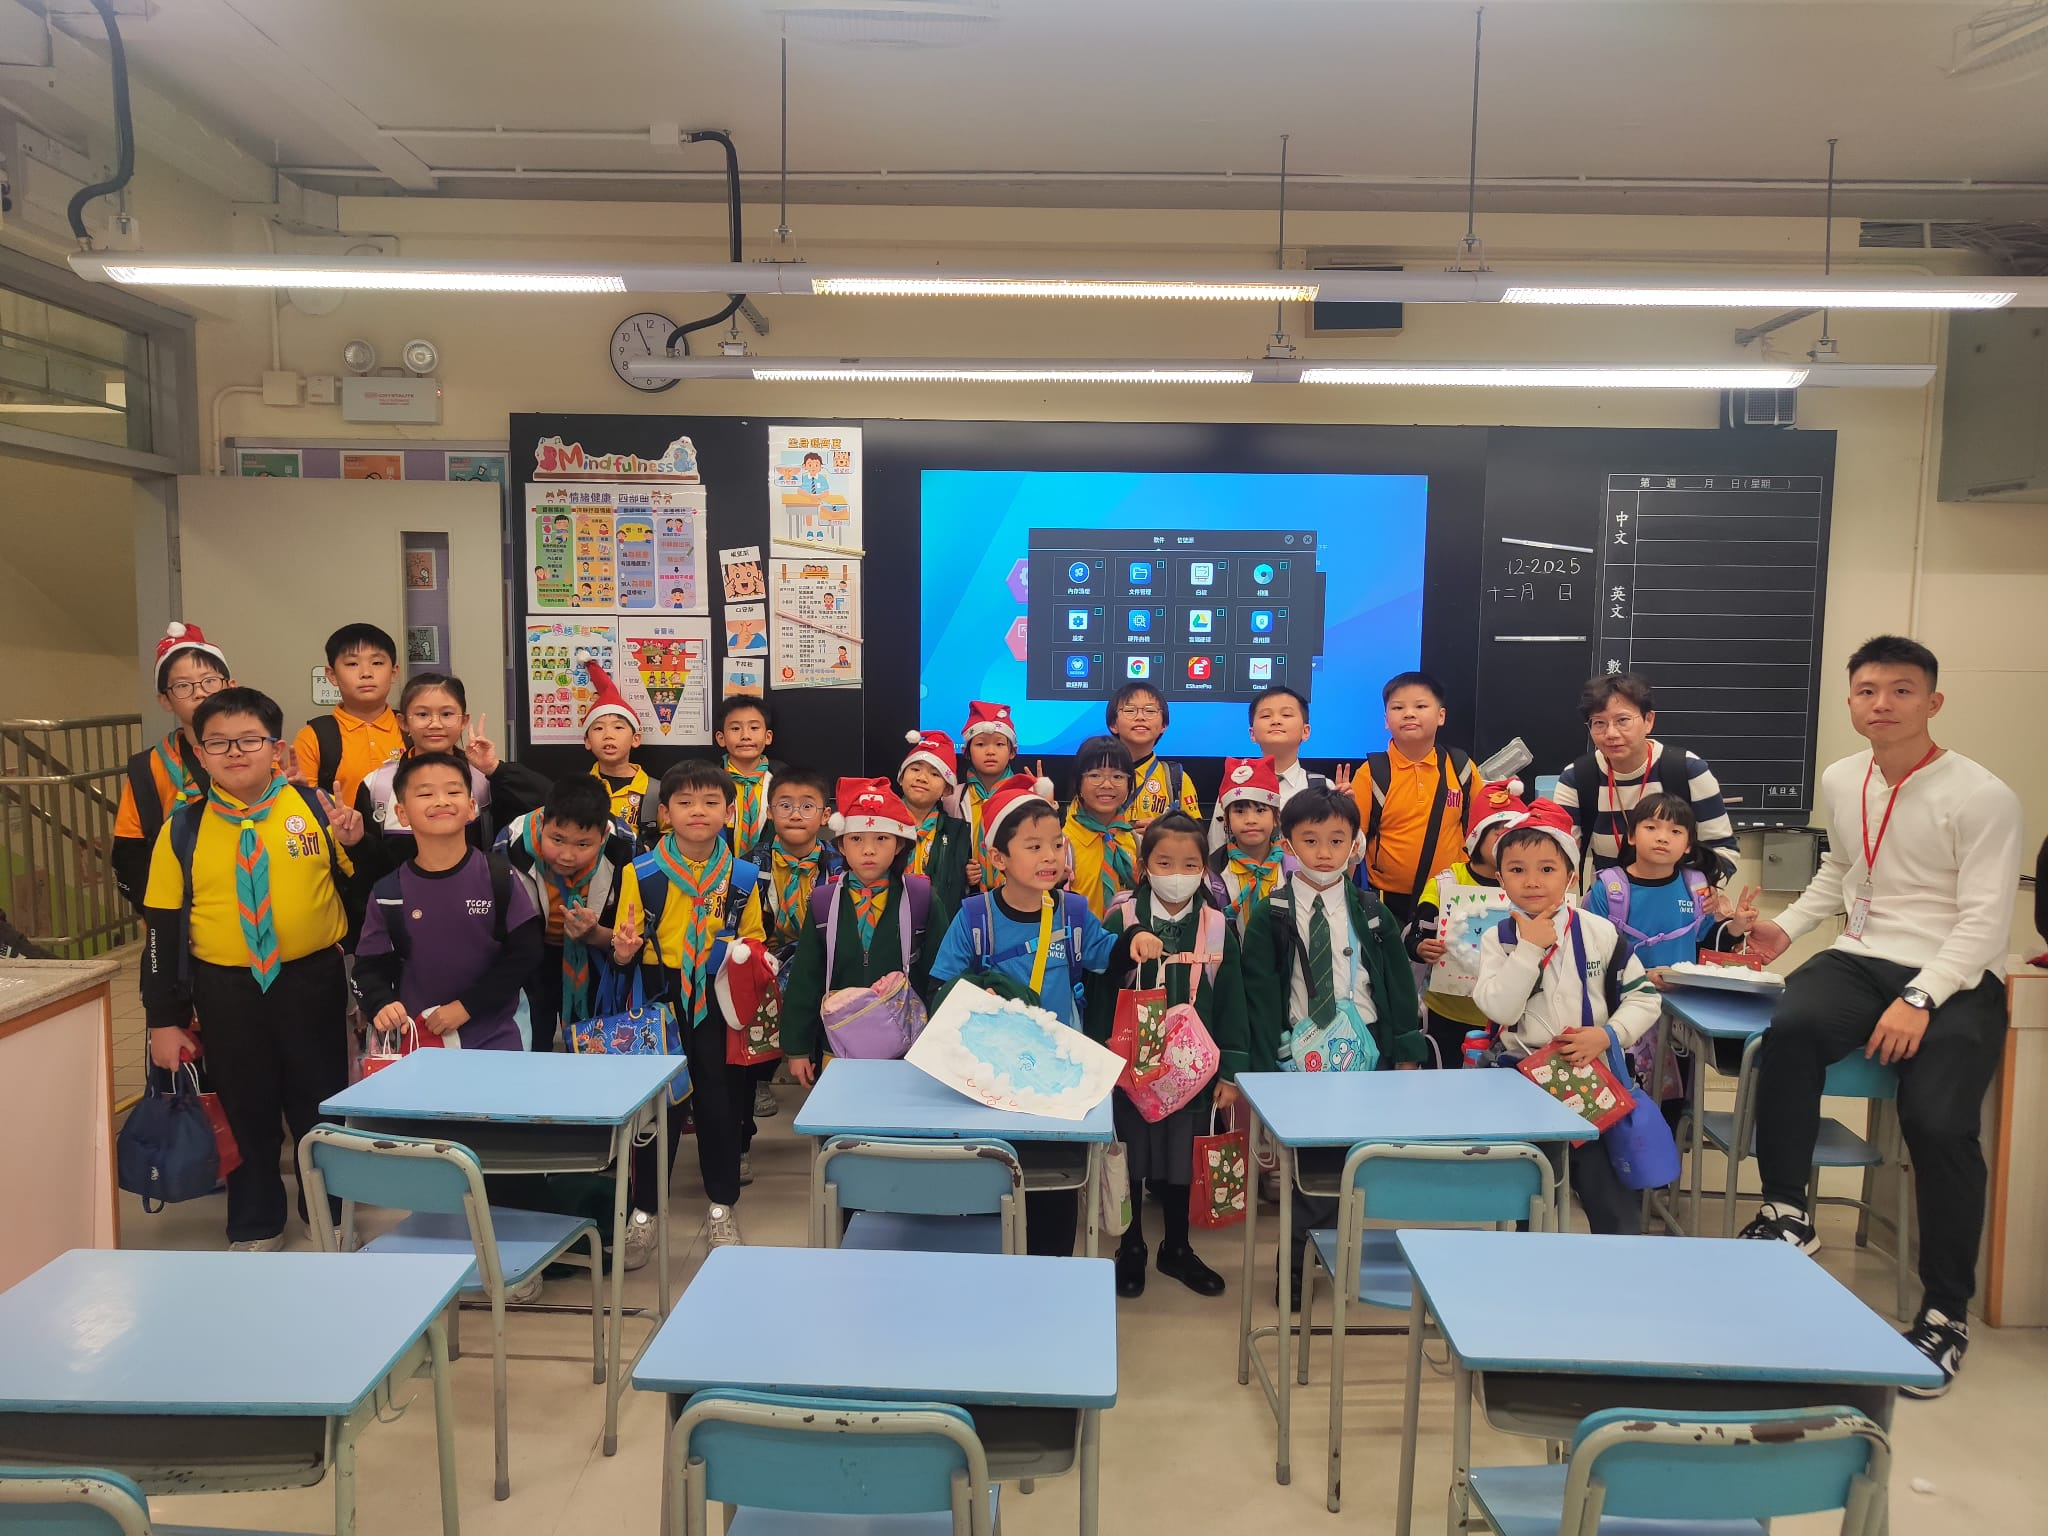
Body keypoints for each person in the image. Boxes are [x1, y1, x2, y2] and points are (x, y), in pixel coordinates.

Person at [1736, 636, 2023, 1395]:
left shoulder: (1982, 796)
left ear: (1933, 702)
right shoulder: (1843, 777)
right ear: (1851, 701)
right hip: (1862, 957)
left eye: (1901, 690)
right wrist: (1785, 929)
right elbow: (1841, 870)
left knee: (1938, 1123)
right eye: (1867, 691)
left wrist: (1921, 997)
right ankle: (1788, 1210)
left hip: (1958, 974)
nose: (1882, 704)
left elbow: (1985, 923)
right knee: (1790, 1031)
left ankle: (1945, 1313)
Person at [141, 687, 367, 1249]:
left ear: (276, 749)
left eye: (249, 740)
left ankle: (329, 1212)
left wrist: (360, 844)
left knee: (322, 1100)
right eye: (218, 743)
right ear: (200, 753)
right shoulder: (182, 830)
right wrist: (163, 1019)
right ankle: (255, 1220)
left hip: (311, 980)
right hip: (226, 989)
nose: (234, 752)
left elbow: (365, 892)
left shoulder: (314, 809)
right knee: (245, 1105)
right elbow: (161, 932)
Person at [929, 775, 1163, 1255]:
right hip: (990, 1081)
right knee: (994, 1185)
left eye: (1056, 844)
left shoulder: (1072, 912)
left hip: (1057, 1079)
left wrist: (1133, 941)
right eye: (1033, 846)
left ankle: (1050, 1265)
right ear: (998, 858)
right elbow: (941, 991)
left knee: (1056, 1187)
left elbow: (1104, 954)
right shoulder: (974, 917)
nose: (1050, 856)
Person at [1243, 787, 1426, 1302]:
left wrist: (1406, 1053)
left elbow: (1398, 986)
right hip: (1301, 1058)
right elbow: (1258, 994)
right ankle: (1295, 1263)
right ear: (1287, 844)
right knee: (1312, 1167)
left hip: (1366, 1051)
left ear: (1356, 844)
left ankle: (1342, 1253)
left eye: (1337, 840)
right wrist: (1261, 1070)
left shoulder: (1372, 910)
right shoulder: (1272, 914)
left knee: (1357, 1161)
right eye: (1311, 840)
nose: (1324, 852)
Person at [1473, 801, 1661, 1235]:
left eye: (1547, 869)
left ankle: (1621, 1264)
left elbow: (1644, 997)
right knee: (1531, 1192)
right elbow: (1500, 1010)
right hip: (1522, 1079)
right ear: (1500, 879)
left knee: (1607, 1193)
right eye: (1517, 870)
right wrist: (1529, 949)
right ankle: (1533, 1264)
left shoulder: (1600, 932)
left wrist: (1608, 1034)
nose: (1532, 881)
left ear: (1571, 877)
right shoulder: (1498, 939)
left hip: (1591, 1076)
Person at [1086, 813, 1249, 1299]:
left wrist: (1230, 1071)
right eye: (1164, 862)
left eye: (1189, 864)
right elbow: (1098, 992)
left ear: (1204, 870)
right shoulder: (1120, 919)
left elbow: (1233, 1001)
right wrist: (1099, 1063)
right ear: (1143, 866)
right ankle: (1131, 1245)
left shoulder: (1216, 926)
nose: (1176, 873)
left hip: (1194, 1073)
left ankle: (1176, 1246)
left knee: (1183, 1158)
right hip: (1130, 1070)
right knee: (1132, 1157)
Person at [619, 759, 768, 1248]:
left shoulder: (742, 876)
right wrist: (622, 950)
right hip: (659, 994)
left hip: (717, 996)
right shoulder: (640, 872)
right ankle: (644, 1209)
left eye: (710, 802)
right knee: (655, 1105)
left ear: (729, 812)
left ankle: (722, 1203)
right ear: (665, 813)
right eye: (684, 802)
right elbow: (626, 940)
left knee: (719, 1102)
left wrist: (741, 951)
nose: (697, 811)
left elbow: (754, 938)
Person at [354, 752, 543, 1053]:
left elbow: (526, 954)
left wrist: (467, 1006)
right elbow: (367, 970)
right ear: (402, 813)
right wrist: (381, 1003)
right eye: (425, 794)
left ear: (471, 807)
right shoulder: (389, 891)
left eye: (453, 792)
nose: (441, 801)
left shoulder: (499, 876)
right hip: (421, 1041)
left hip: (498, 1039)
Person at [781, 778, 948, 1085]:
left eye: (881, 838)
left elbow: (940, 975)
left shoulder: (921, 899)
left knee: (898, 1112)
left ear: (899, 844)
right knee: (842, 1112)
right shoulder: (824, 902)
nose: (868, 850)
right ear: (841, 845)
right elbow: (806, 977)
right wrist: (798, 1049)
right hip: (838, 1046)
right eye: (856, 839)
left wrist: (941, 1044)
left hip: (908, 1047)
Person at [494, 775, 641, 1055]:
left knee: (591, 1047)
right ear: (543, 824)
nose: (567, 855)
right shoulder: (511, 845)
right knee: (533, 1040)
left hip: (594, 958)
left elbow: (626, 933)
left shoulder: (624, 847)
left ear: (603, 836)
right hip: (531, 957)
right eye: (557, 839)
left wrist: (594, 933)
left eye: (582, 845)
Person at [1553, 671, 1738, 878]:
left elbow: (1724, 851)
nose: (1611, 733)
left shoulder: (1688, 770)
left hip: (1677, 895)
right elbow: (1560, 855)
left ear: (1648, 720)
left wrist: (1702, 889)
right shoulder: (1576, 778)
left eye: (1622, 720)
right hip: (1608, 896)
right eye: (1599, 723)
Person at [1407, 778, 1526, 1070]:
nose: (1505, 842)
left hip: (1510, 1017)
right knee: (1443, 1085)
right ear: (1477, 835)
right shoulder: (1447, 883)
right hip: (1448, 1012)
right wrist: (1421, 947)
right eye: (1497, 833)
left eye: (1514, 834)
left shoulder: (1530, 886)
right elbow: (1414, 939)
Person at [113, 622, 233, 912]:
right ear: (165, 700)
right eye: (182, 686)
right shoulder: (149, 767)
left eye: (209, 681)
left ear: (230, 687)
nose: (199, 692)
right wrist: (160, 914)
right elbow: (129, 853)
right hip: (180, 911)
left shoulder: (260, 751)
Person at [1356, 672, 1482, 923]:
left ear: (1441, 716)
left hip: (1452, 897)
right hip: (1387, 902)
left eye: (1421, 706)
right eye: (1398, 707)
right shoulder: (1371, 773)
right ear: (1386, 720)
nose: (1409, 714)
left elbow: (1481, 829)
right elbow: (1353, 842)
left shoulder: (1461, 767)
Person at [1207, 685, 1341, 850]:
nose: (1276, 721)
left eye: (1286, 715)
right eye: (1266, 715)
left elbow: (1352, 853)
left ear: (1305, 731)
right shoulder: (1235, 783)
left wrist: (1347, 810)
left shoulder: (1323, 787)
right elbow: (1216, 848)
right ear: (1252, 733)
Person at [291, 623, 404, 805]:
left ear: (393, 672)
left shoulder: (411, 728)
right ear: (332, 675)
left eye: (377, 663)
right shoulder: (312, 737)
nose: (366, 673)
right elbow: (305, 807)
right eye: (352, 664)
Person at [581, 658, 660, 849]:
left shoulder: (655, 791)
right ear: (587, 741)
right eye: (598, 728)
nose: (608, 735)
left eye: (618, 727)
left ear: (635, 738)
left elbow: (672, 837)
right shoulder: (578, 789)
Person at [1210, 756, 1291, 935]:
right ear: (1226, 819)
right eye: (1239, 811)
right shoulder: (1212, 872)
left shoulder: (1294, 868)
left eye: (1261, 810)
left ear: (1276, 817)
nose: (1250, 820)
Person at [1106, 681, 1203, 829]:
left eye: (1150, 711)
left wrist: (1163, 831)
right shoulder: (1095, 776)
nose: (1140, 717)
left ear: (1164, 725)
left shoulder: (1176, 778)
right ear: (1113, 724)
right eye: (1130, 710)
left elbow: (1197, 835)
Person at [899, 729, 973, 915]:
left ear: (947, 789)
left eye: (934, 774)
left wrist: (969, 876)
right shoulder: (883, 824)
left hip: (939, 924)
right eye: (915, 769)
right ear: (901, 777)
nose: (922, 778)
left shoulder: (957, 831)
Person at [1065, 736, 1138, 919]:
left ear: (1129, 785)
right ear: (1079, 782)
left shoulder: (1137, 842)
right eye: (1095, 775)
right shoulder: (1061, 843)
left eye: (1118, 776)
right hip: (1078, 935)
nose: (1107, 785)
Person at [715, 695, 779, 852]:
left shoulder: (783, 781)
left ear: (768, 737)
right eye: (735, 728)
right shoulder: (708, 782)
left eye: (754, 728)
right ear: (721, 738)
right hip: (721, 864)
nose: (745, 736)